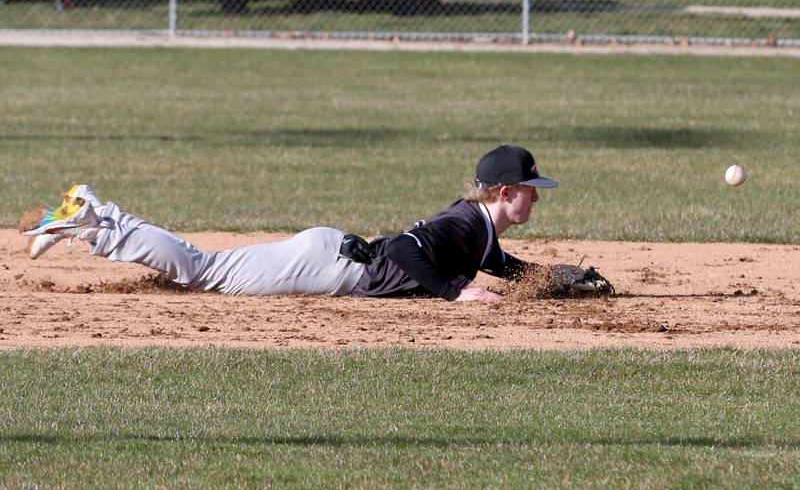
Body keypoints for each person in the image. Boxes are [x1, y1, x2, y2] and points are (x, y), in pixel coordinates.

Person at [20, 145, 558, 303]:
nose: (537, 197)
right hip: (332, 266)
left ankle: (90, 225)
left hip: (331, 257)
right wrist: (453, 293)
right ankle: (96, 216)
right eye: (532, 189)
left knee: (204, 268)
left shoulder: (479, 230)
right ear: (506, 193)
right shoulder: (464, 225)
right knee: (201, 270)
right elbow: (402, 248)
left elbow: (506, 267)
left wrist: (564, 282)